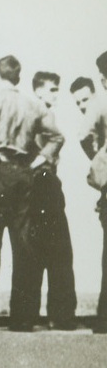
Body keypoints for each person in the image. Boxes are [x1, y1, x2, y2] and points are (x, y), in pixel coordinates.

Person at [0, 55, 63, 329]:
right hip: (25, 176)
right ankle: (23, 317)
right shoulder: (33, 104)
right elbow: (57, 137)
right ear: (19, 78)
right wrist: (36, 162)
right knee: (24, 246)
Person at [27, 71, 77, 329]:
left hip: (38, 187)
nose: (57, 94)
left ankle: (29, 315)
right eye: (53, 89)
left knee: (37, 252)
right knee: (60, 253)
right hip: (45, 184)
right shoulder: (41, 115)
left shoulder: (36, 113)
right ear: (38, 90)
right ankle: (61, 316)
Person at [79, 52, 107, 331]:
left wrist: (99, 162)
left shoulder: (100, 106)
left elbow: (85, 137)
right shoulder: (100, 106)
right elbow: (84, 136)